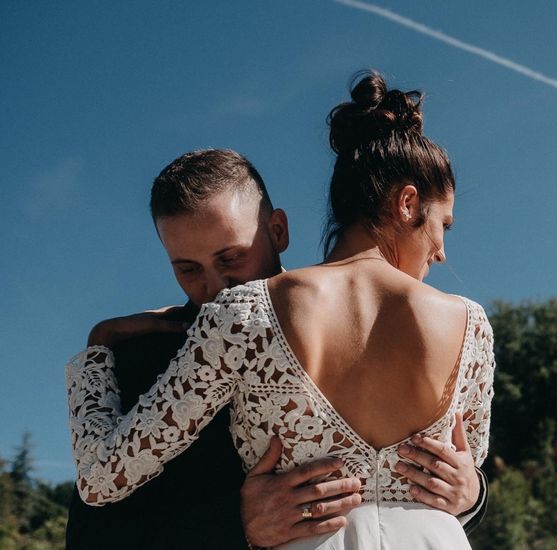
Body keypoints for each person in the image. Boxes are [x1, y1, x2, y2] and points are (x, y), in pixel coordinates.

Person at [65, 72, 495, 549]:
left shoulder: (243, 316)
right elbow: (92, 528)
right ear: (408, 204)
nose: (214, 286)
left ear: (278, 231)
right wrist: (234, 523)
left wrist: (472, 491)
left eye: (230, 257)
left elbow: (101, 475)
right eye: (187, 269)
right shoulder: (469, 323)